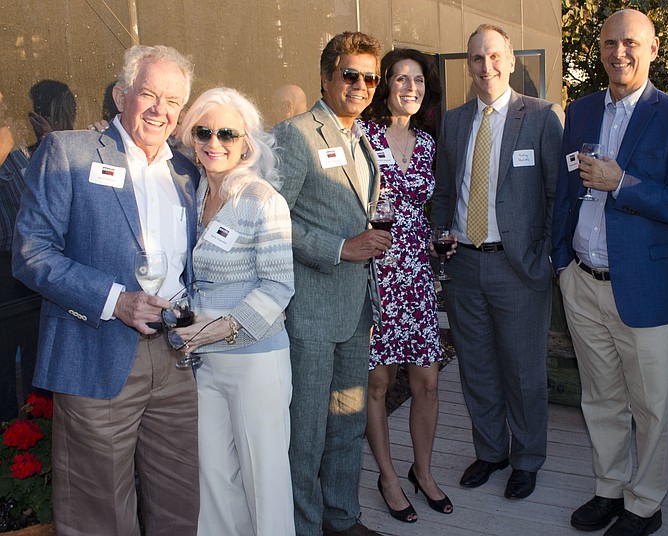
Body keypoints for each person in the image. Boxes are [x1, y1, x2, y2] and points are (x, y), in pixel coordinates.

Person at [12, 45, 200, 535]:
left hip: (176, 355)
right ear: (121, 96)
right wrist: (115, 300)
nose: (161, 110)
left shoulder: (187, 171)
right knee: (98, 510)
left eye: (174, 101)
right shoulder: (69, 152)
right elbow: (32, 253)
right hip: (96, 351)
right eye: (149, 95)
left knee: (179, 500)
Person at [551, 9, 668, 536]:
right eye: (610, 43)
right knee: (600, 400)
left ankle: (645, 503)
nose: (620, 52)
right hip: (582, 281)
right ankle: (609, 488)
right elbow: (564, 189)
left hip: (645, 288)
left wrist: (623, 183)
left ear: (654, 48)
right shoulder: (582, 110)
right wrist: (561, 262)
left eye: (631, 43)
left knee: (653, 406)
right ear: (599, 48)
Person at [431, 24, 564, 501]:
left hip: (519, 268)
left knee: (524, 371)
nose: (484, 68)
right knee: (477, 367)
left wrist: (543, 257)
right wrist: (439, 232)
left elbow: (556, 197)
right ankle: (491, 451)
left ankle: (527, 459)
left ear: (510, 61)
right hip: (464, 267)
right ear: (467, 66)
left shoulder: (544, 117)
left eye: (493, 57)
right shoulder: (453, 120)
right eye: (475, 59)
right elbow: (445, 190)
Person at [272, 31, 389, 536]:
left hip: (356, 308)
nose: (361, 85)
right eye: (351, 75)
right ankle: (305, 525)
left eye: (370, 77)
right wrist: (341, 248)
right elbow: (273, 220)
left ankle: (343, 519)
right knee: (307, 433)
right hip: (311, 311)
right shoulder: (296, 134)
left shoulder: (361, 137)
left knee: (348, 421)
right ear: (325, 76)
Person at [172, 87, 295, 535]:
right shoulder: (192, 193)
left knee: (265, 484)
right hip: (204, 365)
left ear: (246, 142)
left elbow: (280, 284)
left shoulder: (263, 199)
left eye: (227, 132)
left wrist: (216, 330)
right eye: (204, 131)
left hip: (255, 361)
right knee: (216, 484)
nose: (214, 141)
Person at [358, 48, 449, 524]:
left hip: (416, 271)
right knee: (378, 382)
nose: (410, 88)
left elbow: (424, 211)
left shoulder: (429, 143)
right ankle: (388, 476)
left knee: (427, 382)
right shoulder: (362, 136)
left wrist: (437, 240)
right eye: (400, 79)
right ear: (385, 86)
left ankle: (424, 471)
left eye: (417, 81)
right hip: (376, 272)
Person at [0, 91, 37, 423]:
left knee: (32, 369)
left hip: (27, 280)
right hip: (4, 282)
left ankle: (32, 439)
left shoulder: (17, 144)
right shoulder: (6, 142)